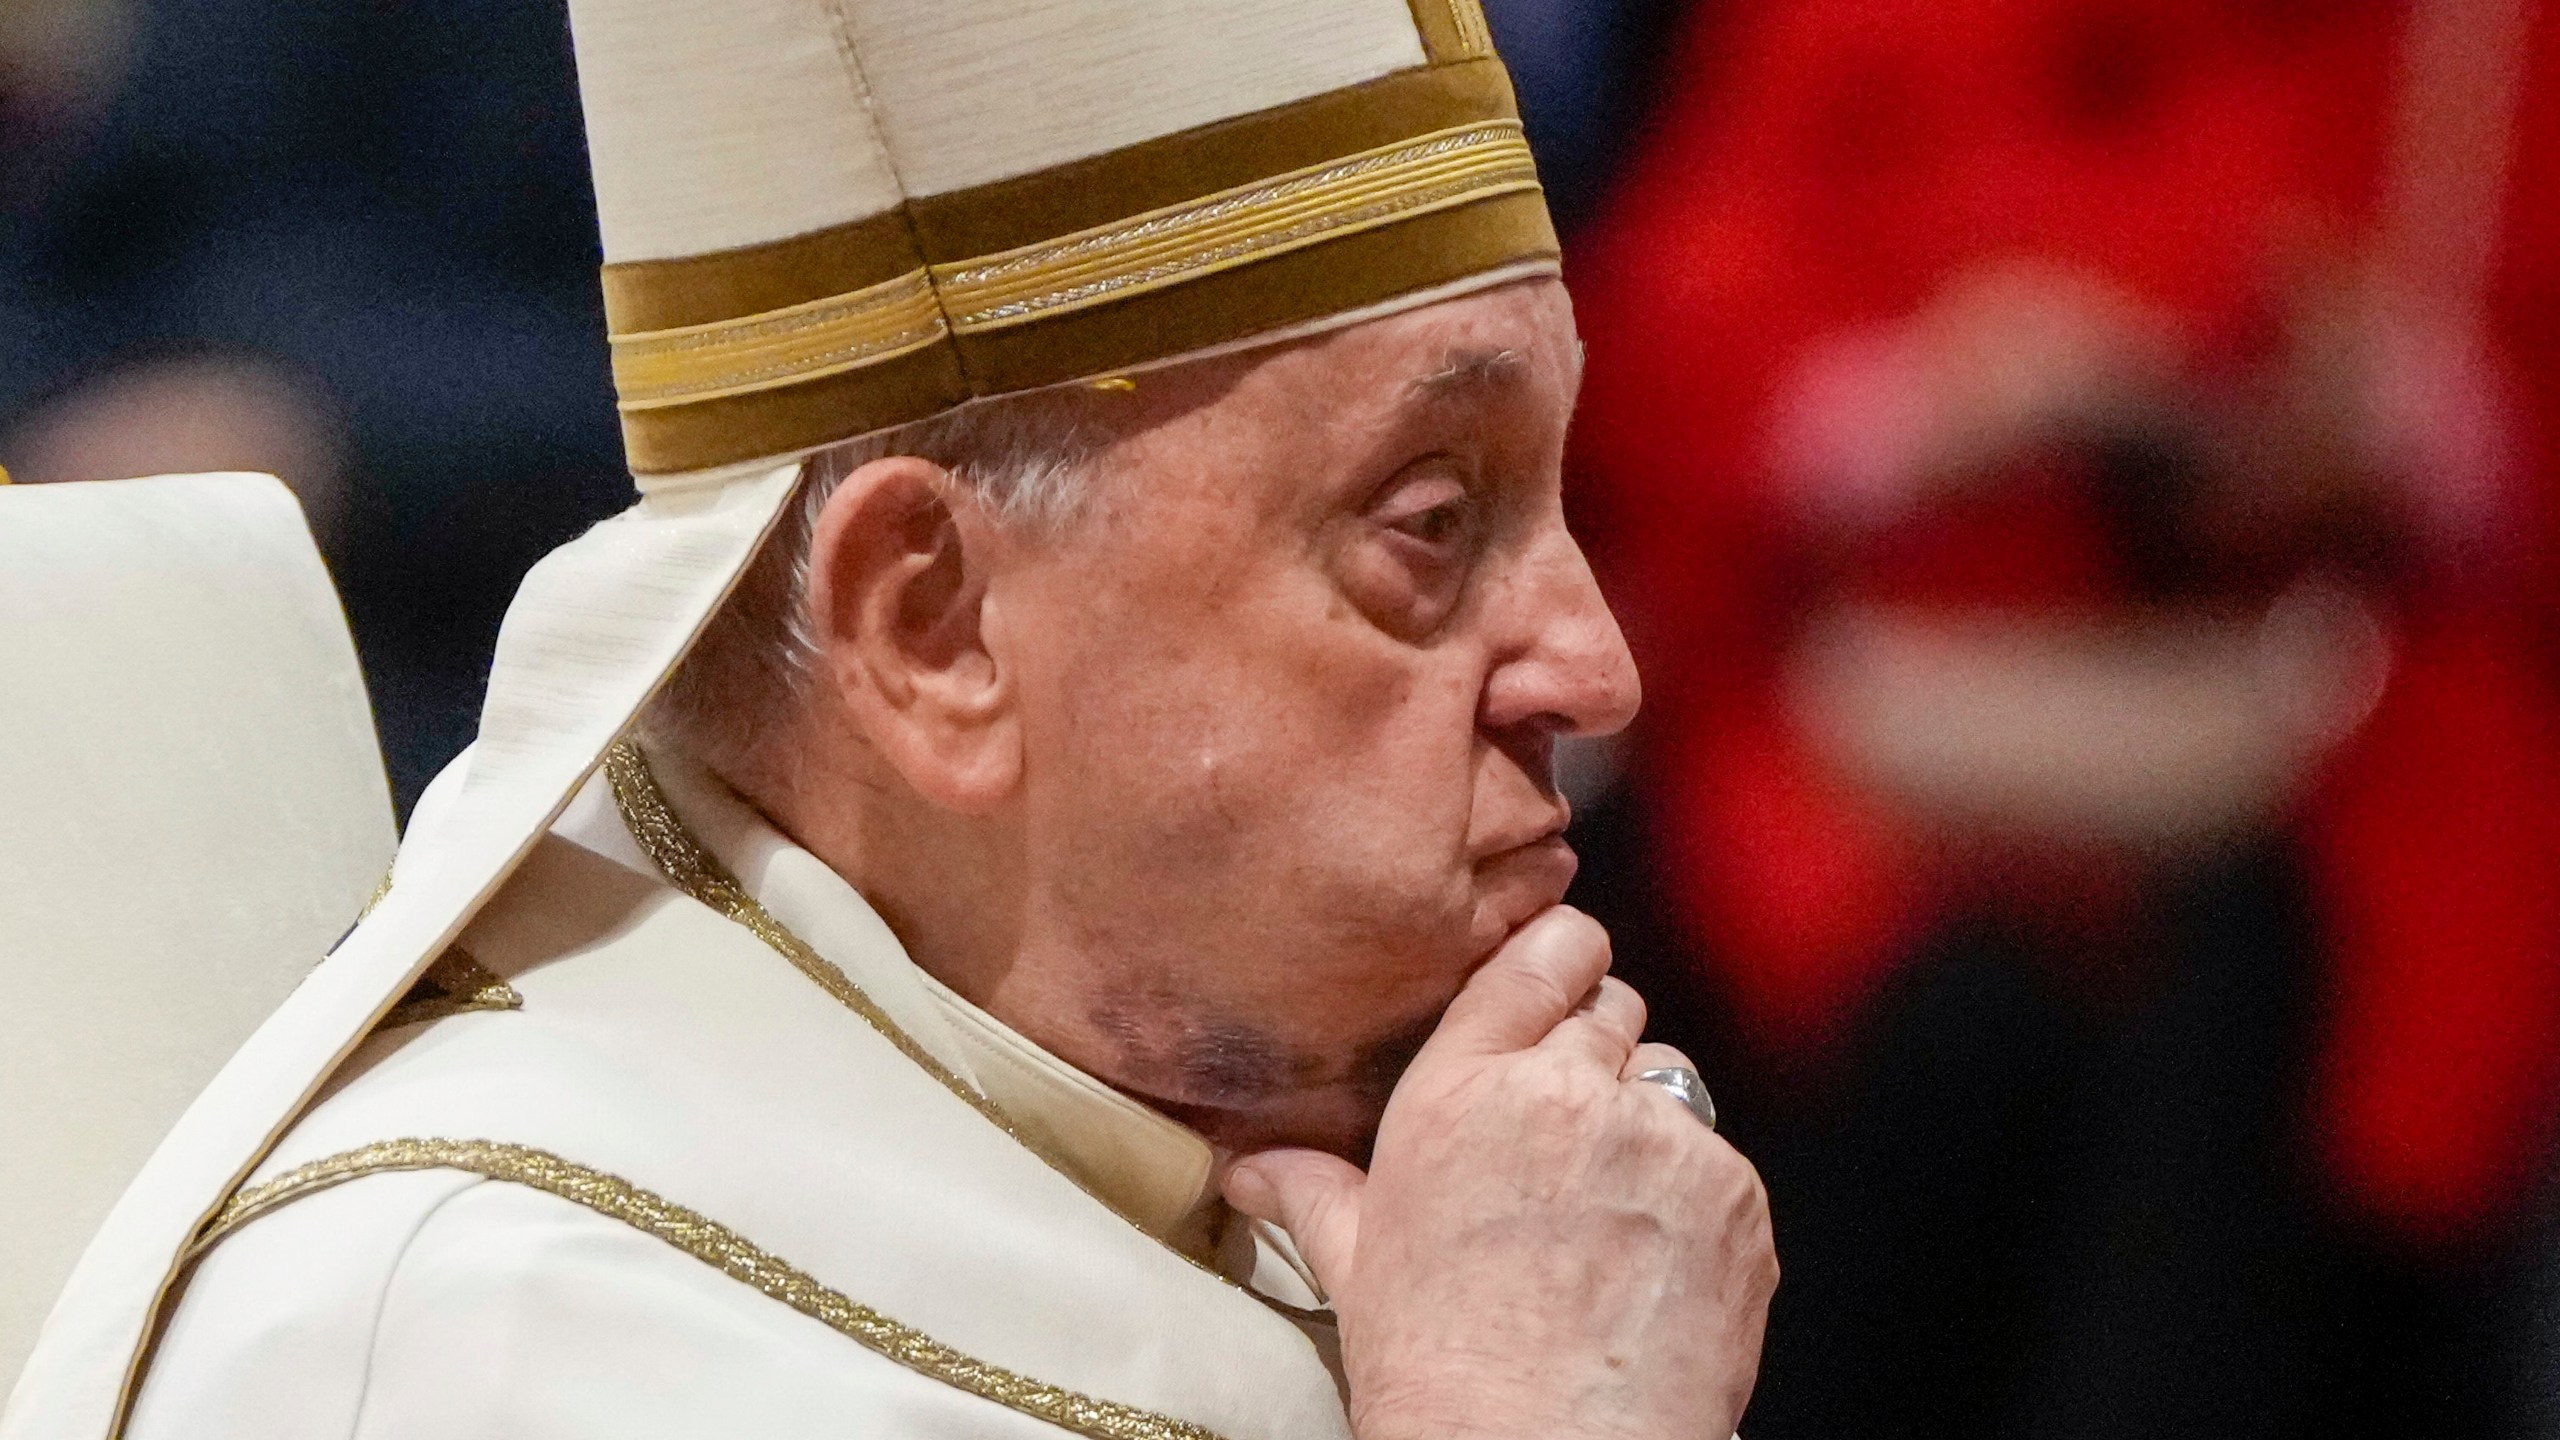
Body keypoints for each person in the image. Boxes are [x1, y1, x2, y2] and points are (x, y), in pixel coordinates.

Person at [0, 1, 1776, 1438]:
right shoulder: (497, 1347)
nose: (1596, 668)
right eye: (1430, 525)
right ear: (935, 628)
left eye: (1561, 502)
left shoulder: (1355, 1184)